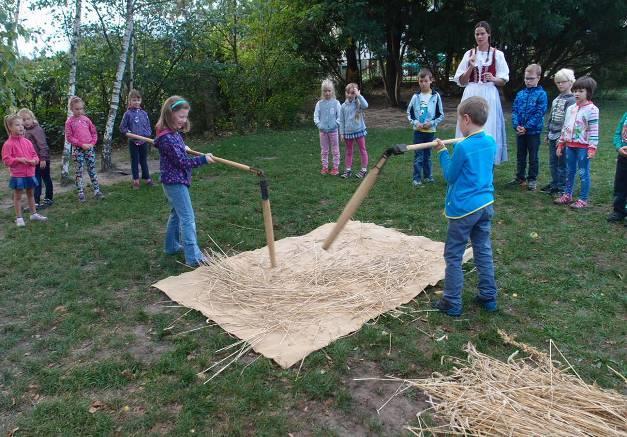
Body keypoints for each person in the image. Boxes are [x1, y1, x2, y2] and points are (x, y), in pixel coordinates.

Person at [431, 96, 497, 317]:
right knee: (483, 250)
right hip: (485, 205)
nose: (459, 123)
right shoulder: (490, 142)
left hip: (464, 210)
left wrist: (442, 153)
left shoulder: (463, 148)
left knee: (453, 255)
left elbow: (450, 175)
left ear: (466, 119)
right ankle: (488, 297)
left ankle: (451, 302)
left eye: (459, 119)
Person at [153, 96, 215, 267]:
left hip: (174, 181)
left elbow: (178, 151)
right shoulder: (166, 138)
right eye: (180, 116)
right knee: (188, 218)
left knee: (176, 214)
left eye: (185, 116)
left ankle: (171, 246)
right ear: (169, 114)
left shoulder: (173, 134)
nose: (184, 120)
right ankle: (193, 257)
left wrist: (184, 148)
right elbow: (183, 162)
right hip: (175, 183)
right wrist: (203, 159)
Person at [454, 21, 509, 164]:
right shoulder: (469, 54)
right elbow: (462, 81)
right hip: (471, 91)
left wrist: (494, 78)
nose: (479, 36)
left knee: (488, 126)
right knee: (468, 123)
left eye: (482, 33)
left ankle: (486, 162)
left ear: (488, 34)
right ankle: (468, 160)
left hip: (489, 93)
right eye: (477, 34)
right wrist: (471, 67)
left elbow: (503, 80)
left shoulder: (498, 54)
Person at [554, 76, 599, 209]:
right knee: (570, 171)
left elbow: (594, 130)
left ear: (589, 92)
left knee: (583, 173)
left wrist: (592, 148)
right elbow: (565, 126)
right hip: (569, 146)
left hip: (583, 148)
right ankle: (567, 195)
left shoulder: (592, 110)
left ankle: (583, 199)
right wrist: (561, 143)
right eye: (575, 91)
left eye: (580, 91)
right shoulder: (570, 108)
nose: (576, 94)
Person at [2, 114, 48, 226]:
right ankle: (19, 218)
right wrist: (18, 160)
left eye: (22, 125)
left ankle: (33, 214)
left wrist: (35, 160)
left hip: (30, 173)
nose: (21, 127)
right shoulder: (8, 144)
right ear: (10, 127)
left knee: (31, 194)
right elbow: (6, 160)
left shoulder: (27, 142)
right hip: (18, 175)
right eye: (17, 125)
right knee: (18, 196)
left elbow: (34, 155)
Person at [509, 64, 548, 191]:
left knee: (533, 156)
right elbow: (514, 110)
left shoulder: (541, 94)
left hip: (533, 132)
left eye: (531, 78)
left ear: (538, 78)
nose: (528, 81)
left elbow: (539, 112)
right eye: (526, 78)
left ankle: (532, 179)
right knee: (520, 155)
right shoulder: (520, 94)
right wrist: (517, 125)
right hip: (520, 131)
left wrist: (527, 127)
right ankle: (520, 177)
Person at [406, 68, 444, 186]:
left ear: (431, 81)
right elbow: (409, 113)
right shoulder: (415, 97)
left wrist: (431, 123)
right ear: (418, 82)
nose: (423, 83)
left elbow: (440, 115)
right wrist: (416, 123)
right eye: (421, 81)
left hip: (430, 132)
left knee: (427, 156)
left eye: (426, 81)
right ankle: (416, 178)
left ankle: (428, 176)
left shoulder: (436, 96)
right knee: (418, 156)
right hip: (418, 132)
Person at [541, 68, 576, 195]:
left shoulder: (572, 100)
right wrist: (547, 133)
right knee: (553, 161)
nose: (560, 84)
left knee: (562, 163)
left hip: (562, 138)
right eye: (558, 82)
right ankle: (555, 183)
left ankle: (562, 187)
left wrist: (562, 137)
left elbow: (569, 121)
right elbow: (550, 117)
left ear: (571, 82)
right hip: (552, 134)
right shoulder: (556, 99)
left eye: (563, 82)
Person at [65, 96, 104, 202]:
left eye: (81, 108)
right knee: (79, 171)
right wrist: (81, 144)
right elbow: (69, 137)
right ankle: (81, 192)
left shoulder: (87, 120)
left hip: (89, 149)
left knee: (92, 169)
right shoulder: (69, 122)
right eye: (77, 109)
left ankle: (96, 190)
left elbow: (94, 132)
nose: (79, 111)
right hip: (78, 150)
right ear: (71, 109)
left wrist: (92, 143)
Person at [18, 108, 54, 208]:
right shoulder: (23, 131)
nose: (26, 121)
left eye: (28, 119)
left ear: (32, 118)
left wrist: (43, 159)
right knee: (36, 181)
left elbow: (43, 145)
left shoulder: (37, 129)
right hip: (32, 161)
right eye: (23, 120)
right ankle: (36, 201)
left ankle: (48, 198)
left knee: (46, 178)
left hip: (42, 160)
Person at [120, 89, 154, 189]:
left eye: (138, 100)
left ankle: (147, 178)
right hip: (133, 142)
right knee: (135, 160)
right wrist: (129, 134)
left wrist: (147, 135)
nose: (136, 102)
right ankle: (136, 181)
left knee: (144, 160)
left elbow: (148, 127)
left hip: (144, 141)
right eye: (134, 100)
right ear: (129, 101)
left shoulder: (144, 114)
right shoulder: (127, 114)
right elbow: (122, 128)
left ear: (141, 101)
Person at [339, 83, 369, 179]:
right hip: (348, 133)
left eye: (352, 93)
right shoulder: (343, 106)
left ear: (355, 93)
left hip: (359, 131)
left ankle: (363, 170)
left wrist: (359, 95)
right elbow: (342, 121)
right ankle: (348, 171)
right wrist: (342, 133)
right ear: (345, 93)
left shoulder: (358, 103)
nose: (350, 95)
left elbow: (366, 105)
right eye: (348, 92)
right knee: (349, 151)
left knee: (362, 149)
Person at [314, 79, 342, 176]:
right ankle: (325, 167)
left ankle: (335, 167)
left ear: (332, 91)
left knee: (335, 149)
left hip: (333, 131)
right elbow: (316, 116)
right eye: (325, 91)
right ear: (323, 92)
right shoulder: (319, 104)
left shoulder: (336, 103)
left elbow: (340, 116)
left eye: (329, 90)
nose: (327, 93)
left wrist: (336, 124)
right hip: (323, 132)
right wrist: (319, 125)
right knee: (324, 150)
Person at [607, 111, 627, 224]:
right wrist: (619, 147)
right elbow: (617, 133)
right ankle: (619, 210)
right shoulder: (625, 115)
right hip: (623, 157)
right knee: (620, 184)